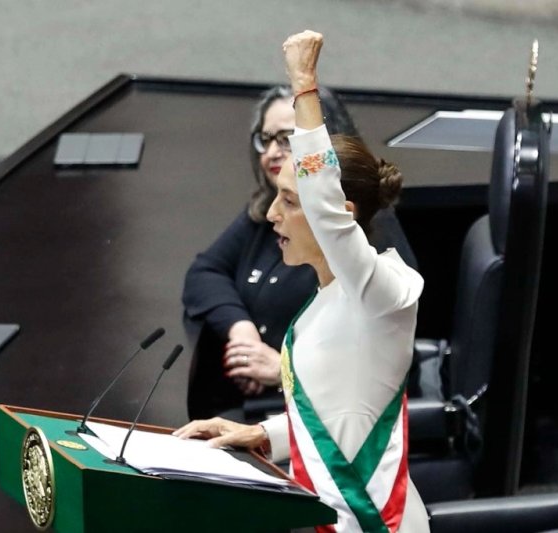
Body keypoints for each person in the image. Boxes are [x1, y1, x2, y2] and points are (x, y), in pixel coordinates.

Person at [175, 31, 430, 533]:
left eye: (290, 201)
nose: (272, 214)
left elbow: (324, 202)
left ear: (339, 212)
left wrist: (304, 86)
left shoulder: (385, 291)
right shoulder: (324, 299)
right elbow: (331, 418)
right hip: (319, 515)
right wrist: (260, 434)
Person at [183, 85, 417, 424]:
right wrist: (243, 333)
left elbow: (365, 374)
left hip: (324, 432)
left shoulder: (368, 250)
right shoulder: (270, 209)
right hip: (277, 419)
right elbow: (205, 271)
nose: (272, 152)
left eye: (288, 138)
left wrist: (280, 369)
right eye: (266, 139)